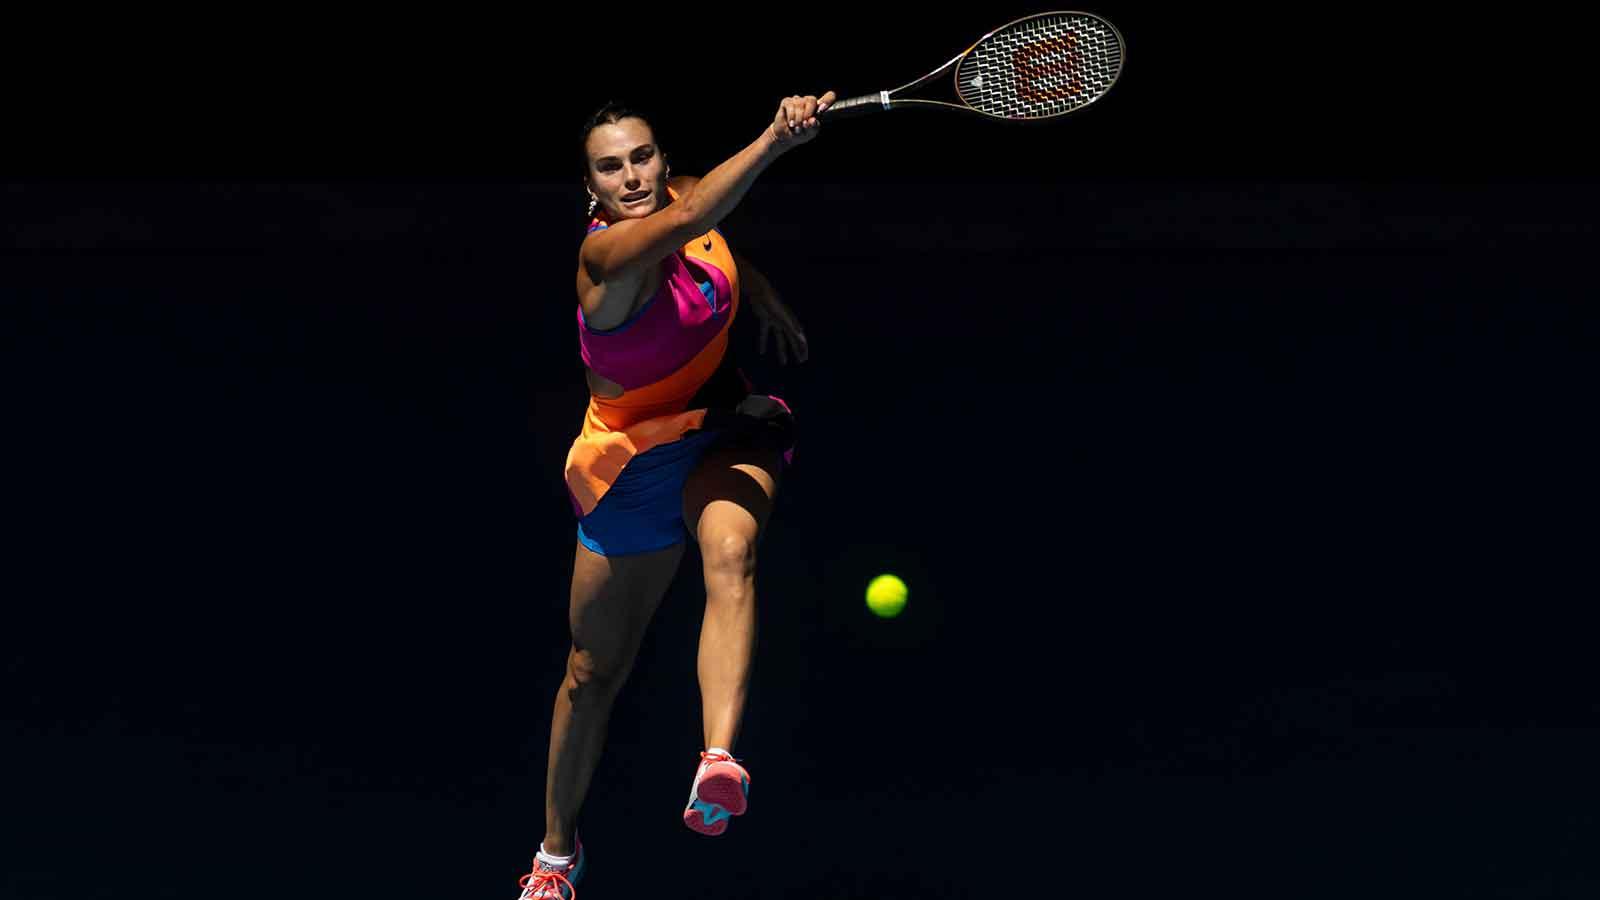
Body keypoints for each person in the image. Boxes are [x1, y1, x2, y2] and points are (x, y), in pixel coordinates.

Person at [516, 89, 834, 900]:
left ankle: (718, 762)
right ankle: (557, 858)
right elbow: (688, 223)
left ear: (662, 158)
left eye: (642, 157)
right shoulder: (603, 264)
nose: (632, 176)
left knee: (732, 550)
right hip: (629, 462)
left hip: (722, 424)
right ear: (589, 187)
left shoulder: (687, 194)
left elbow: (704, 222)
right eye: (610, 167)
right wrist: (772, 140)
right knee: (592, 671)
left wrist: (755, 292)